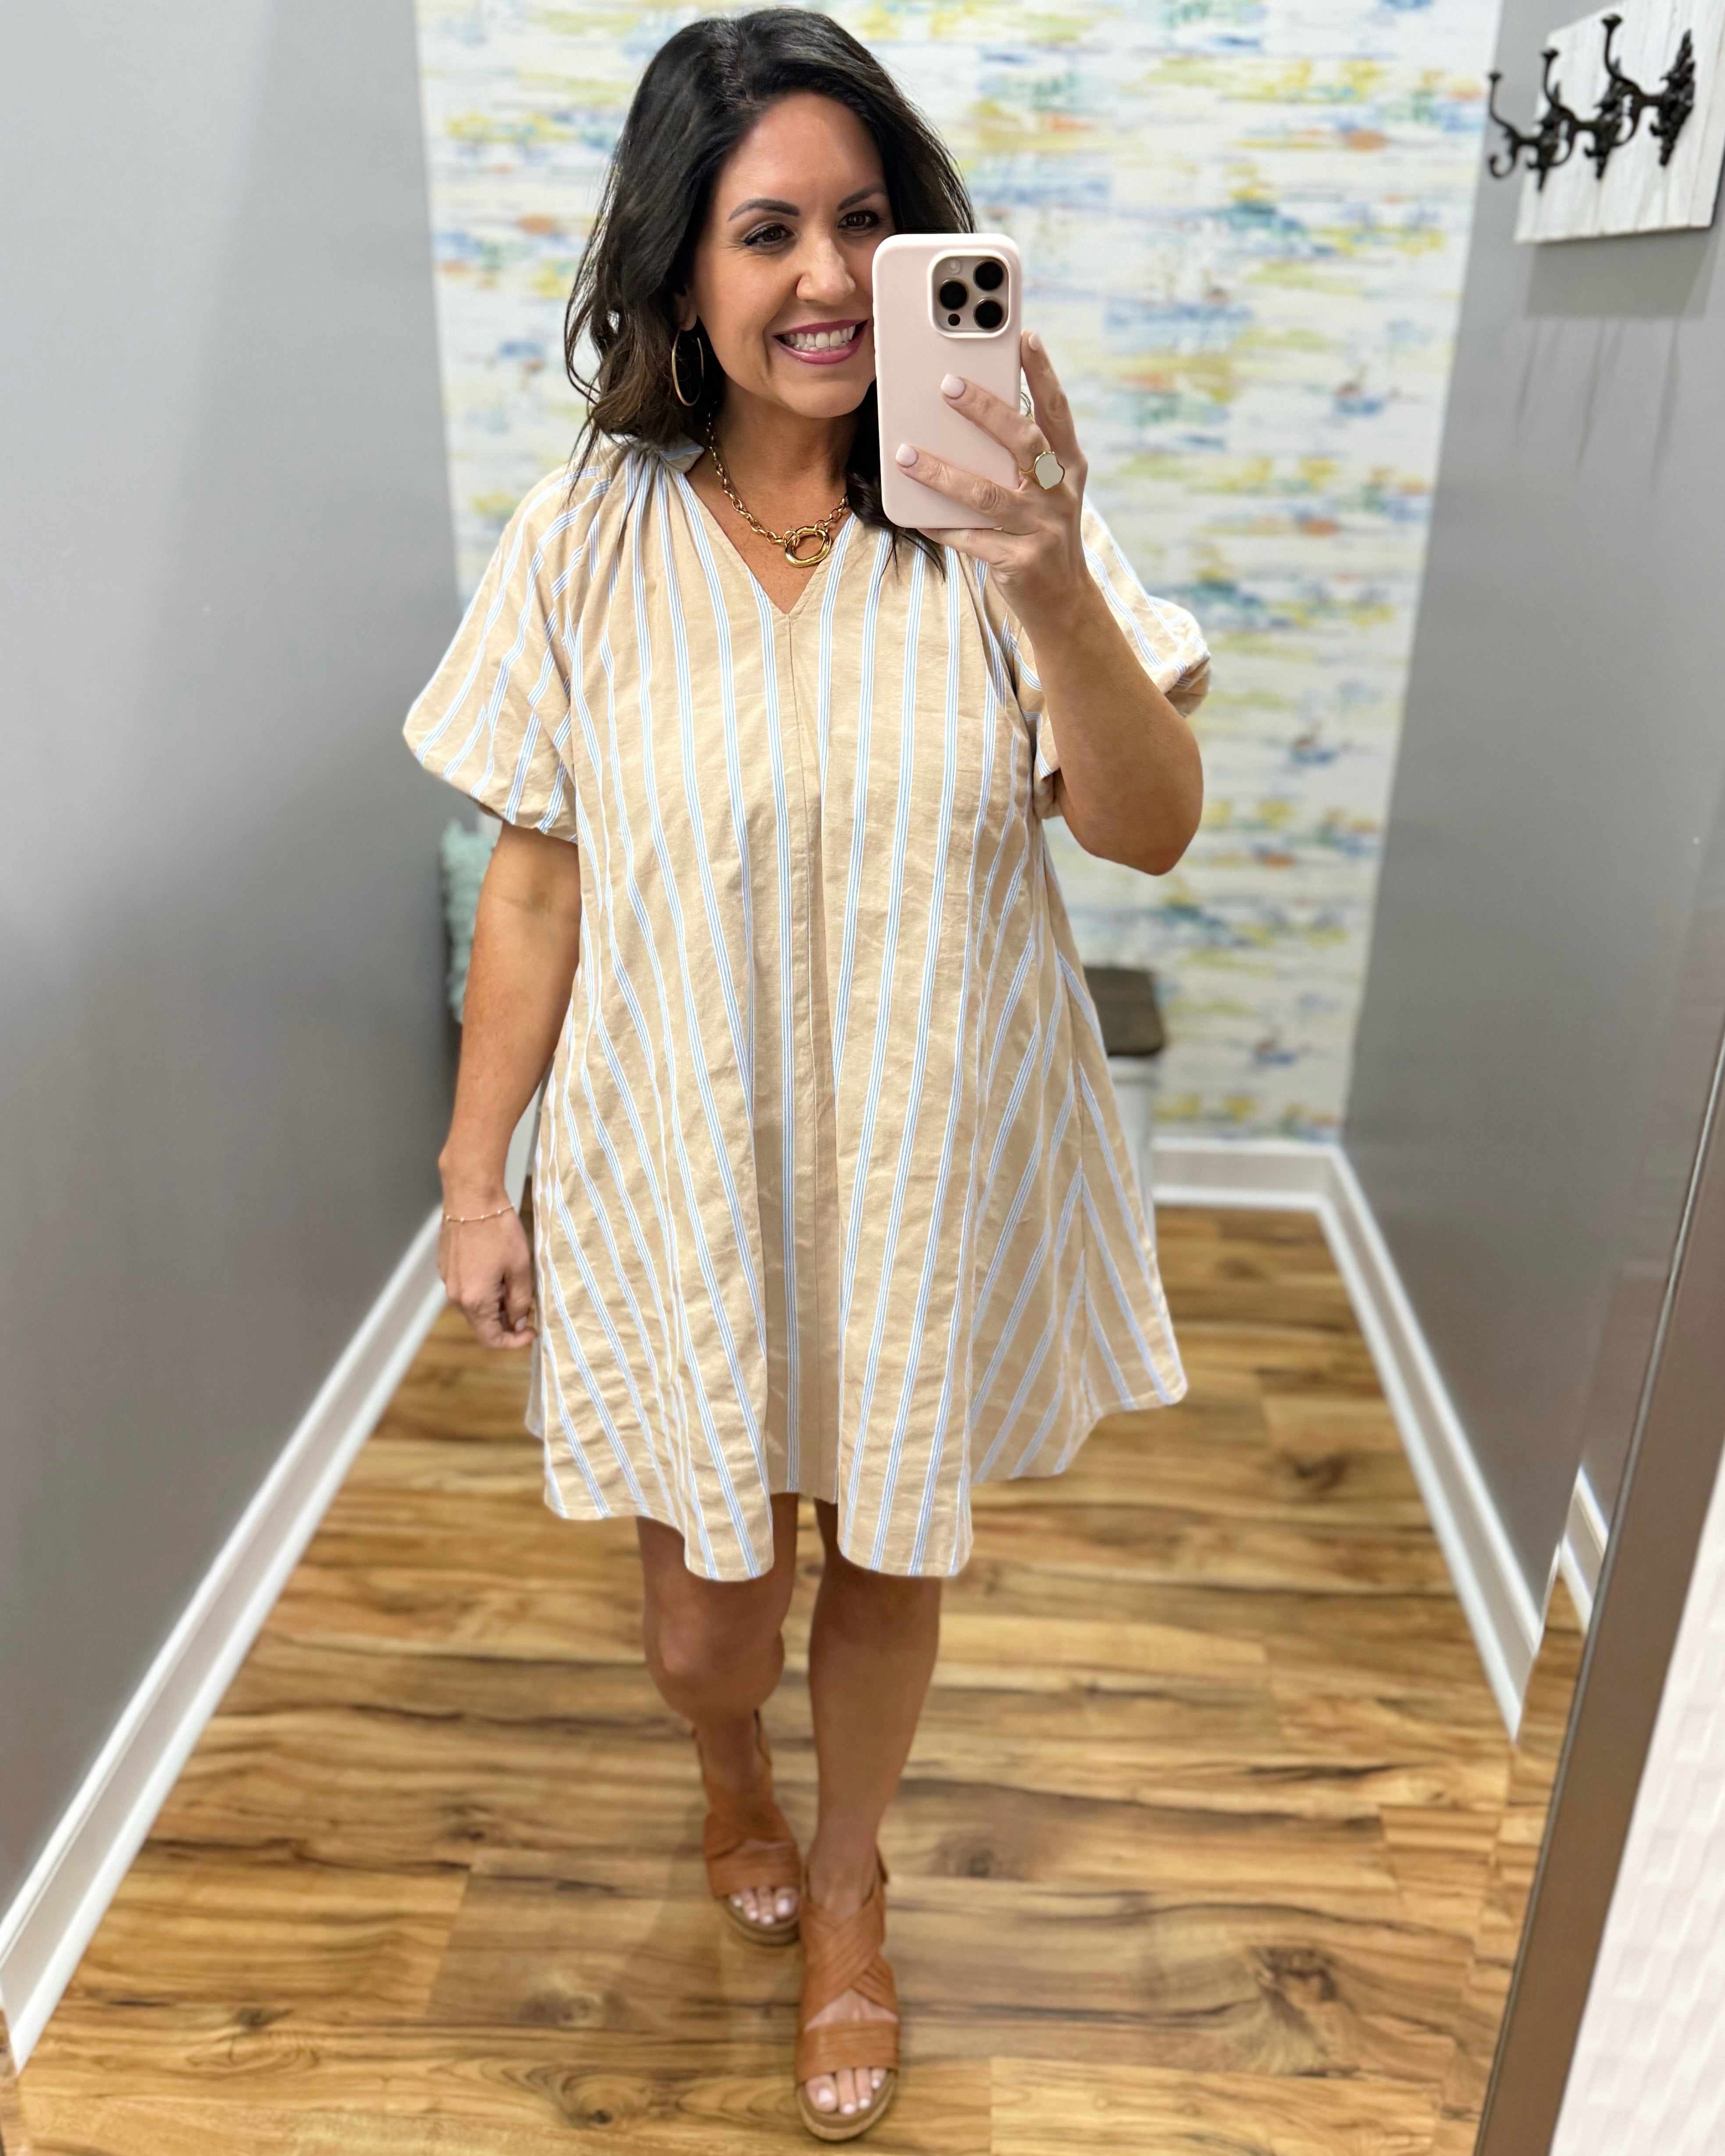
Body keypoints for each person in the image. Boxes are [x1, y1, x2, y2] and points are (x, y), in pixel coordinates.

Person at [405, 9, 1208, 2140]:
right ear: (681, 271)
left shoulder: (998, 510)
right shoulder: (589, 531)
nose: (833, 278)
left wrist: (1044, 566)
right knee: (705, 1625)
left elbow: (1145, 822)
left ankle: (849, 1889)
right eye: (770, 231)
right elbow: (538, 890)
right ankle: (728, 1774)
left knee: (894, 1556)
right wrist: (481, 1179)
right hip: (677, 1163)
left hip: (929, 1156)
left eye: (870, 222)